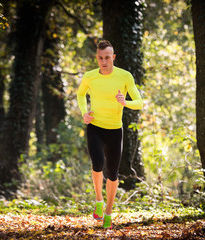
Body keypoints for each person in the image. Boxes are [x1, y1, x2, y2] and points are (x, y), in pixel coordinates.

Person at [77, 40, 143, 229]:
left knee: (113, 173)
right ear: (96, 58)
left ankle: (108, 212)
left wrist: (126, 102)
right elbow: (80, 94)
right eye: (100, 58)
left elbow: (139, 102)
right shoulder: (90, 77)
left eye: (107, 58)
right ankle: (99, 200)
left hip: (115, 130)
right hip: (95, 127)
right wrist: (84, 112)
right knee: (97, 163)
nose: (104, 61)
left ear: (113, 57)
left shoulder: (124, 76)